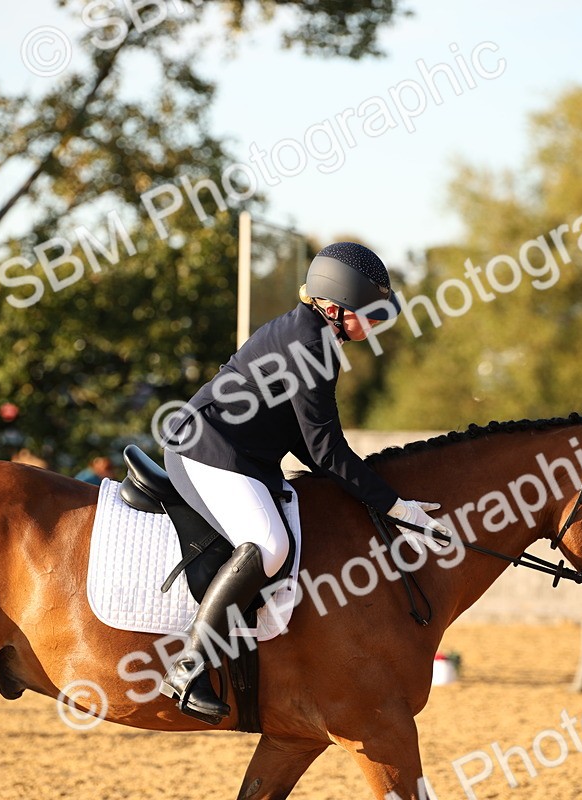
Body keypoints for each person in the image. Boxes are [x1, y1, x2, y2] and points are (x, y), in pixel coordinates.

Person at [159, 241, 450, 724]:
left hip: (244, 454)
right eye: (370, 314)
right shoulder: (312, 345)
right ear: (334, 308)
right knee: (269, 545)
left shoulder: (311, 334)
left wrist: (368, 491)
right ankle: (189, 665)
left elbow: (308, 442)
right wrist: (397, 507)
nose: (377, 324)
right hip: (205, 449)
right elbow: (325, 451)